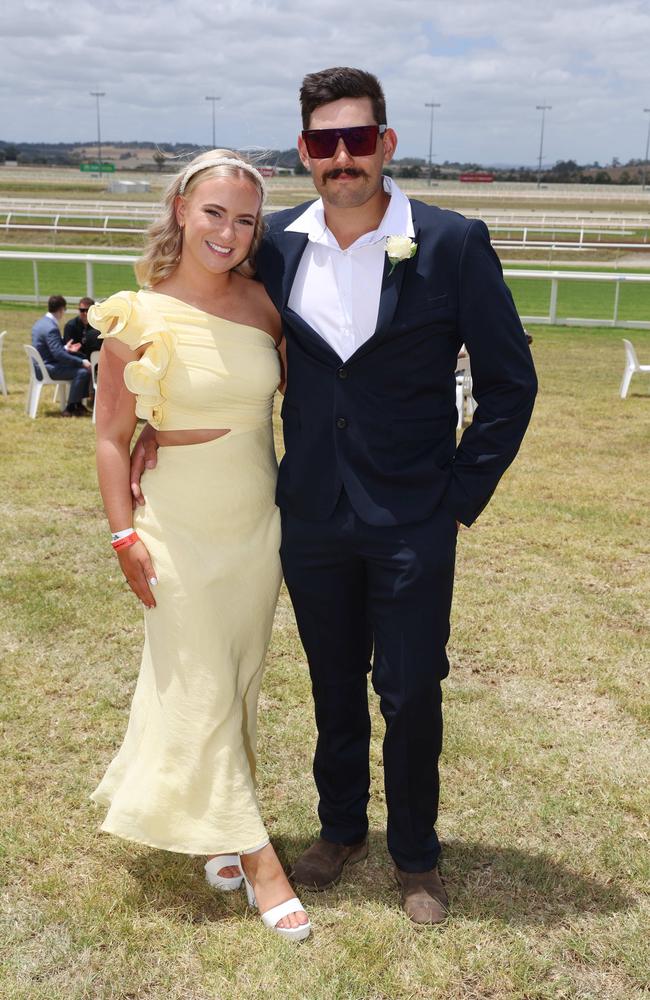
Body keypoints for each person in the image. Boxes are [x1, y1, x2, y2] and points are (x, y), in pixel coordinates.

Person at [133, 68, 538, 926]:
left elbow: (511, 383)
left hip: (414, 516)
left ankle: (417, 856)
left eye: (359, 139)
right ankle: (339, 828)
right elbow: (195, 321)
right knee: (330, 682)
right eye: (325, 142)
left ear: (387, 143)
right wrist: (145, 430)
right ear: (306, 152)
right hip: (309, 511)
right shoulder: (271, 243)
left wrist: (459, 494)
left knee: (410, 686)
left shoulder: (453, 242)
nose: (344, 157)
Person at [89, 149, 310, 941]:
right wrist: (123, 534)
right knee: (202, 677)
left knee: (237, 677)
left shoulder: (265, 306)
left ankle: (217, 827)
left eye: (245, 219)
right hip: (174, 524)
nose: (229, 230)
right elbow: (114, 437)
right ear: (181, 209)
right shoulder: (135, 315)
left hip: (256, 525)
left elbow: (314, 402)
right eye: (214, 212)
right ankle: (257, 859)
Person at [31, 294, 92, 416]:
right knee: (83, 371)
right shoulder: (51, 328)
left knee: (81, 366)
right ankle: (70, 408)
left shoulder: (40, 323)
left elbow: (52, 349)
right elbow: (58, 355)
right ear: (61, 309)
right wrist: (81, 362)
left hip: (40, 366)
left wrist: (65, 347)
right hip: (48, 368)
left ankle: (77, 405)